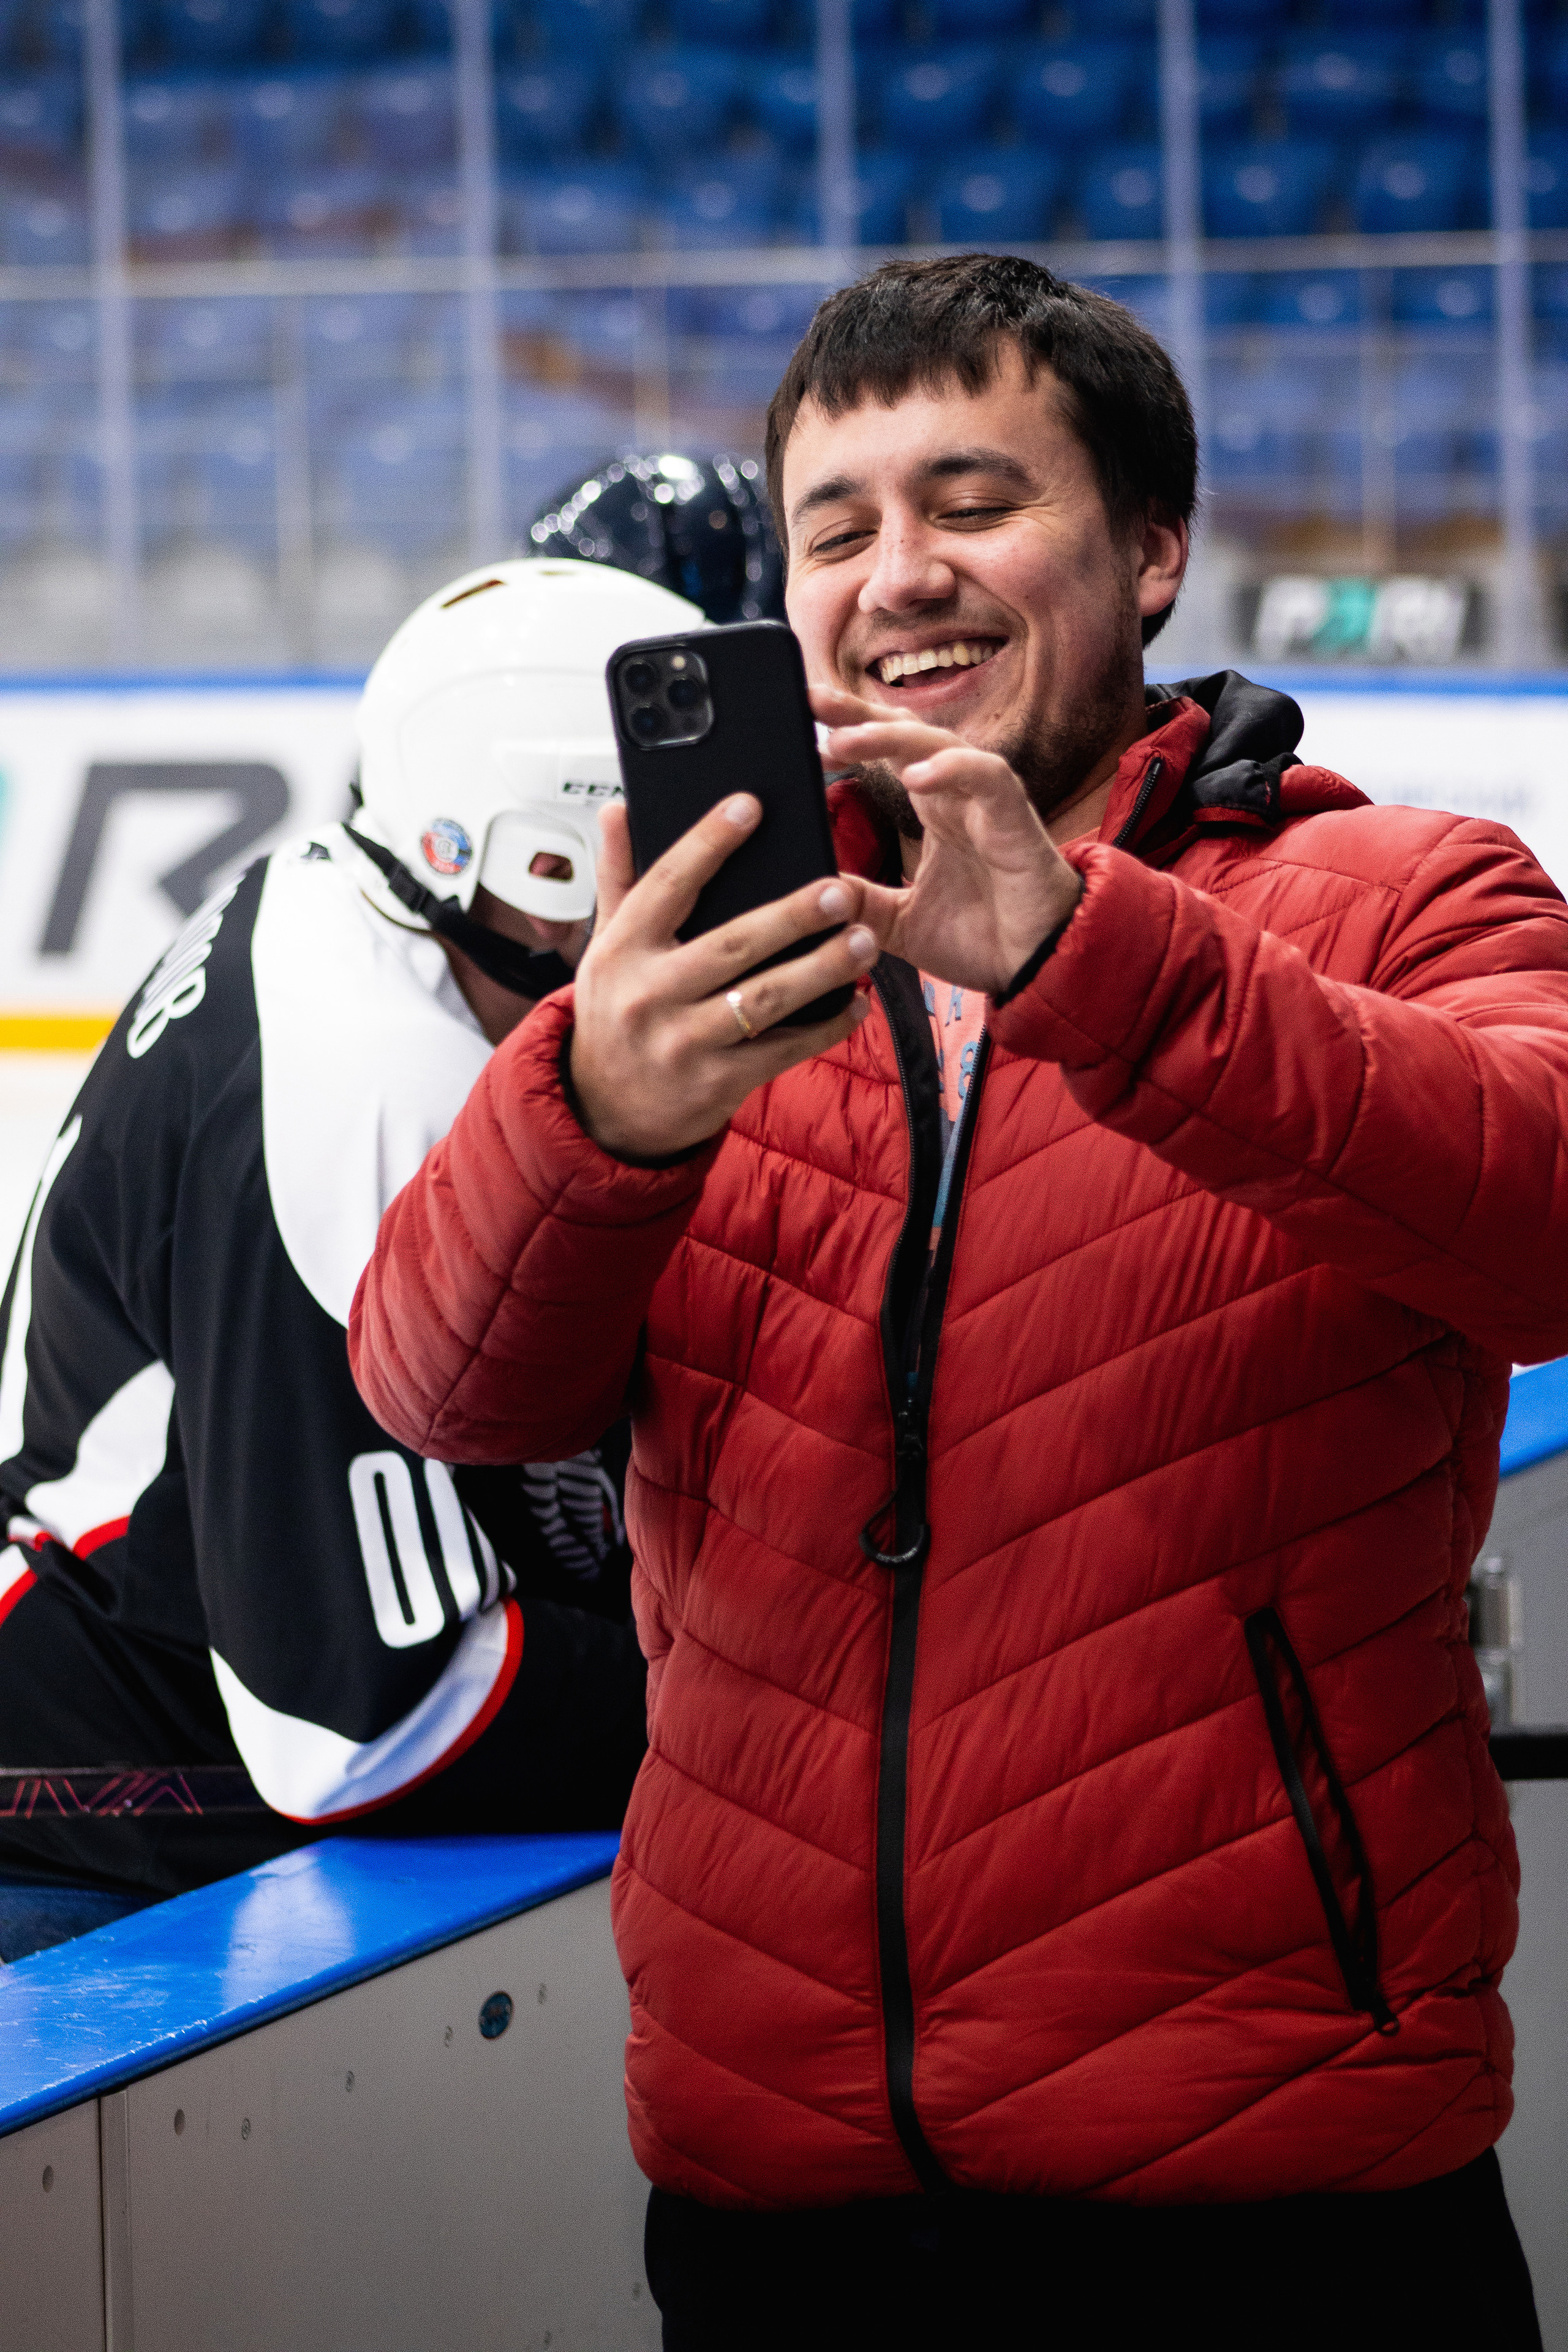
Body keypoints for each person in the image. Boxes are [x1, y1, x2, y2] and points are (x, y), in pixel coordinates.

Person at [349, 257, 1562, 2348]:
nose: (898, 577)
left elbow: (1545, 1226)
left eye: (973, 500)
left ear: (1155, 550)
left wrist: (1106, 961)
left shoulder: (1405, 898)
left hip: (1276, 2192)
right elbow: (443, 1386)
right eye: (835, 530)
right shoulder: (711, 964)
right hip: (781, 2200)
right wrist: (590, 1111)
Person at [0, 556, 703, 1940]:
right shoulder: (378, 1087)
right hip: (114, 1812)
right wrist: (764, 1688)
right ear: (544, 856)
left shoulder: (353, 907)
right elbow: (369, 1716)